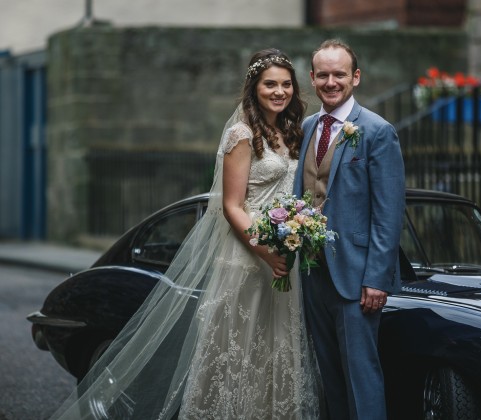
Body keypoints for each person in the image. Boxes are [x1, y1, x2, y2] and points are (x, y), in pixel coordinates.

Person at [50, 48, 322, 419]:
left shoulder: (291, 131)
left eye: (286, 84)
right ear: (253, 87)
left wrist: (292, 241)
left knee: (276, 352)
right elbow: (232, 206)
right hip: (248, 256)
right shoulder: (242, 133)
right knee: (239, 352)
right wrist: (266, 251)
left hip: (281, 258)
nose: (279, 91)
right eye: (269, 83)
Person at [293, 39, 405, 420]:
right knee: (330, 376)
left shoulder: (377, 131)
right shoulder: (307, 127)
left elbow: (388, 214)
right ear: (312, 78)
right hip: (312, 273)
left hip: (357, 278)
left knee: (361, 375)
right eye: (322, 75)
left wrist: (377, 278)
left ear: (355, 77)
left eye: (339, 74)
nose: (330, 82)